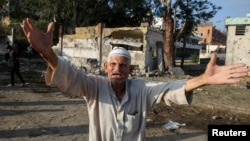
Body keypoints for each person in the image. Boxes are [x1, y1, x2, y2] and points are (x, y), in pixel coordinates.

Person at [21, 18, 250, 141]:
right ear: (106, 67)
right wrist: (47, 54)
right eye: (113, 65)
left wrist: (204, 79)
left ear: (130, 69)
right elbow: (70, 76)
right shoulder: (93, 87)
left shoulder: (141, 90)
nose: (117, 69)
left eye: (123, 65)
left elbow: (167, 90)